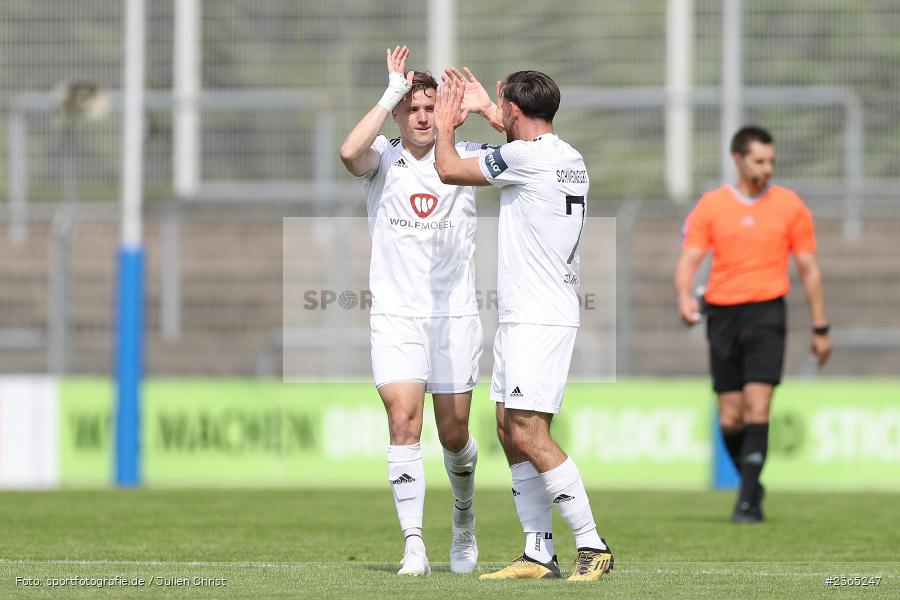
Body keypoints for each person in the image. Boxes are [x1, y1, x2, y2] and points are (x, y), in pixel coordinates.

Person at [434, 69, 614, 582]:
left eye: (499, 104)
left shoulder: (522, 159)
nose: (496, 110)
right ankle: (538, 553)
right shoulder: (566, 156)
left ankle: (592, 544)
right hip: (528, 314)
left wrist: (448, 123)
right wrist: (494, 112)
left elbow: (448, 170)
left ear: (514, 111)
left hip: (539, 316)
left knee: (530, 433)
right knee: (509, 432)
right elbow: (518, 140)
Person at [338, 46, 502, 576]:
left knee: (454, 435)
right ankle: (413, 545)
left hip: (454, 316)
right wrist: (388, 90)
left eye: (430, 106)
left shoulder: (465, 152)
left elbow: (531, 148)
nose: (423, 116)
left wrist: (484, 109)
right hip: (396, 316)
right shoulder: (382, 158)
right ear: (400, 113)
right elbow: (347, 153)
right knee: (403, 421)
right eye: (413, 108)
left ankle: (463, 516)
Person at [674, 125, 832, 524]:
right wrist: (684, 298)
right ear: (738, 160)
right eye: (760, 160)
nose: (768, 168)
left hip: (767, 313)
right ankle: (752, 479)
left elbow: (810, 270)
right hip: (722, 314)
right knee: (731, 416)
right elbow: (689, 259)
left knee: (759, 404)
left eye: (772, 160)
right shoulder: (712, 206)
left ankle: (747, 501)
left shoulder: (790, 206)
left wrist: (820, 327)